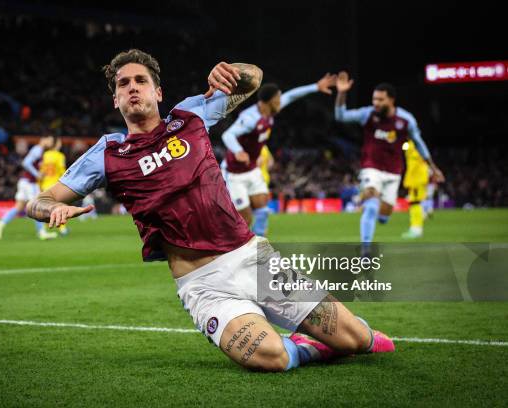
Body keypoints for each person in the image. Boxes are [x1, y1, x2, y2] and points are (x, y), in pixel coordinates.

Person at [26, 49, 394, 372]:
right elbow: (39, 200)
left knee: (357, 339)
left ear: (158, 91)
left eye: (141, 80)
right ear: (115, 100)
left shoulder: (189, 116)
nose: (132, 87)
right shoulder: (107, 154)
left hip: (252, 259)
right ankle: (308, 348)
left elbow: (254, 80)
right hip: (202, 285)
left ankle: (345, 335)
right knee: (272, 358)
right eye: (123, 84)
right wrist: (52, 210)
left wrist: (231, 71)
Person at [334, 72, 444, 254]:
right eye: (374, 99)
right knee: (370, 205)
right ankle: (365, 250)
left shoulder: (406, 120)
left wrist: (433, 167)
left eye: (380, 100)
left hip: (393, 172)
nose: (375, 103)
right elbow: (341, 117)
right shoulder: (367, 115)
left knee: (383, 217)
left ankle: (368, 201)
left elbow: (419, 143)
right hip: (371, 168)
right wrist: (341, 94)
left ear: (391, 100)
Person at [221, 74, 336, 236]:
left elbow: (292, 95)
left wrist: (316, 87)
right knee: (245, 220)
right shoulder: (250, 118)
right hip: (234, 173)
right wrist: (238, 151)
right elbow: (228, 135)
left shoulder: (270, 110)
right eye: (278, 99)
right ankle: (233, 247)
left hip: (252, 170)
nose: (281, 102)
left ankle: (259, 250)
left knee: (263, 212)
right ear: (268, 101)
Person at [0, 135, 58, 240]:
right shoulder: (38, 149)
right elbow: (26, 163)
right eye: (50, 140)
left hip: (24, 181)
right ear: (44, 139)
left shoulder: (39, 150)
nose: (51, 143)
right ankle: (41, 232)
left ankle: (1, 223)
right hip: (30, 183)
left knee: (18, 207)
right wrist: (37, 174)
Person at [38, 138, 70, 235]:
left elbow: (42, 171)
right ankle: (62, 229)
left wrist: (39, 184)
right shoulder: (60, 156)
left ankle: (44, 229)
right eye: (59, 142)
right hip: (55, 184)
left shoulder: (46, 154)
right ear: (56, 144)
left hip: (45, 184)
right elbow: (62, 171)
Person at [401, 139, 429, 238]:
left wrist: (408, 180)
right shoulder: (412, 144)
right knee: (414, 202)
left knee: (414, 203)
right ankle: (418, 223)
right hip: (418, 178)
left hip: (417, 179)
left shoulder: (413, 146)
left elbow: (413, 165)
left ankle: (416, 229)